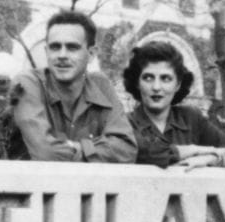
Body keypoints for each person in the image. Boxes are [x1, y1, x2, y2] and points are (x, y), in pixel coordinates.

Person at [9, 10, 137, 162]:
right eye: (55, 47)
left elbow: (127, 149)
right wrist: (90, 151)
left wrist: (78, 148)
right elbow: (45, 153)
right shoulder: (28, 83)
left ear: (91, 54)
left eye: (72, 47)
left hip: (88, 185)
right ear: (46, 51)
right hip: (35, 184)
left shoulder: (101, 86)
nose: (62, 55)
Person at [122, 41, 225, 170]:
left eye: (166, 78)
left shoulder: (190, 119)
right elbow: (149, 153)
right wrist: (196, 150)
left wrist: (210, 159)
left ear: (178, 84)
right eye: (148, 78)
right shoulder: (126, 123)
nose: (156, 87)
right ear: (137, 83)